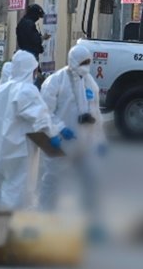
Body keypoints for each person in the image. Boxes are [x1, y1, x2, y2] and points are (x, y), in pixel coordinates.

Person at [0, 50, 71, 209]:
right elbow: (41, 119)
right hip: (19, 151)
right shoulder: (27, 90)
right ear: (32, 69)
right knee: (17, 193)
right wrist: (53, 135)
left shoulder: (3, 88)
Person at [38, 45, 106, 232]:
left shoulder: (90, 82)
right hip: (61, 142)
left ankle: (92, 224)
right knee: (53, 182)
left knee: (91, 181)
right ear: (73, 60)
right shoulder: (55, 82)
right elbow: (44, 113)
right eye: (83, 62)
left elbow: (96, 113)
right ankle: (46, 221)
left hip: (85, 144)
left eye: (88, 62)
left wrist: (100, 140)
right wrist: (60, 129)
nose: (86, 66)